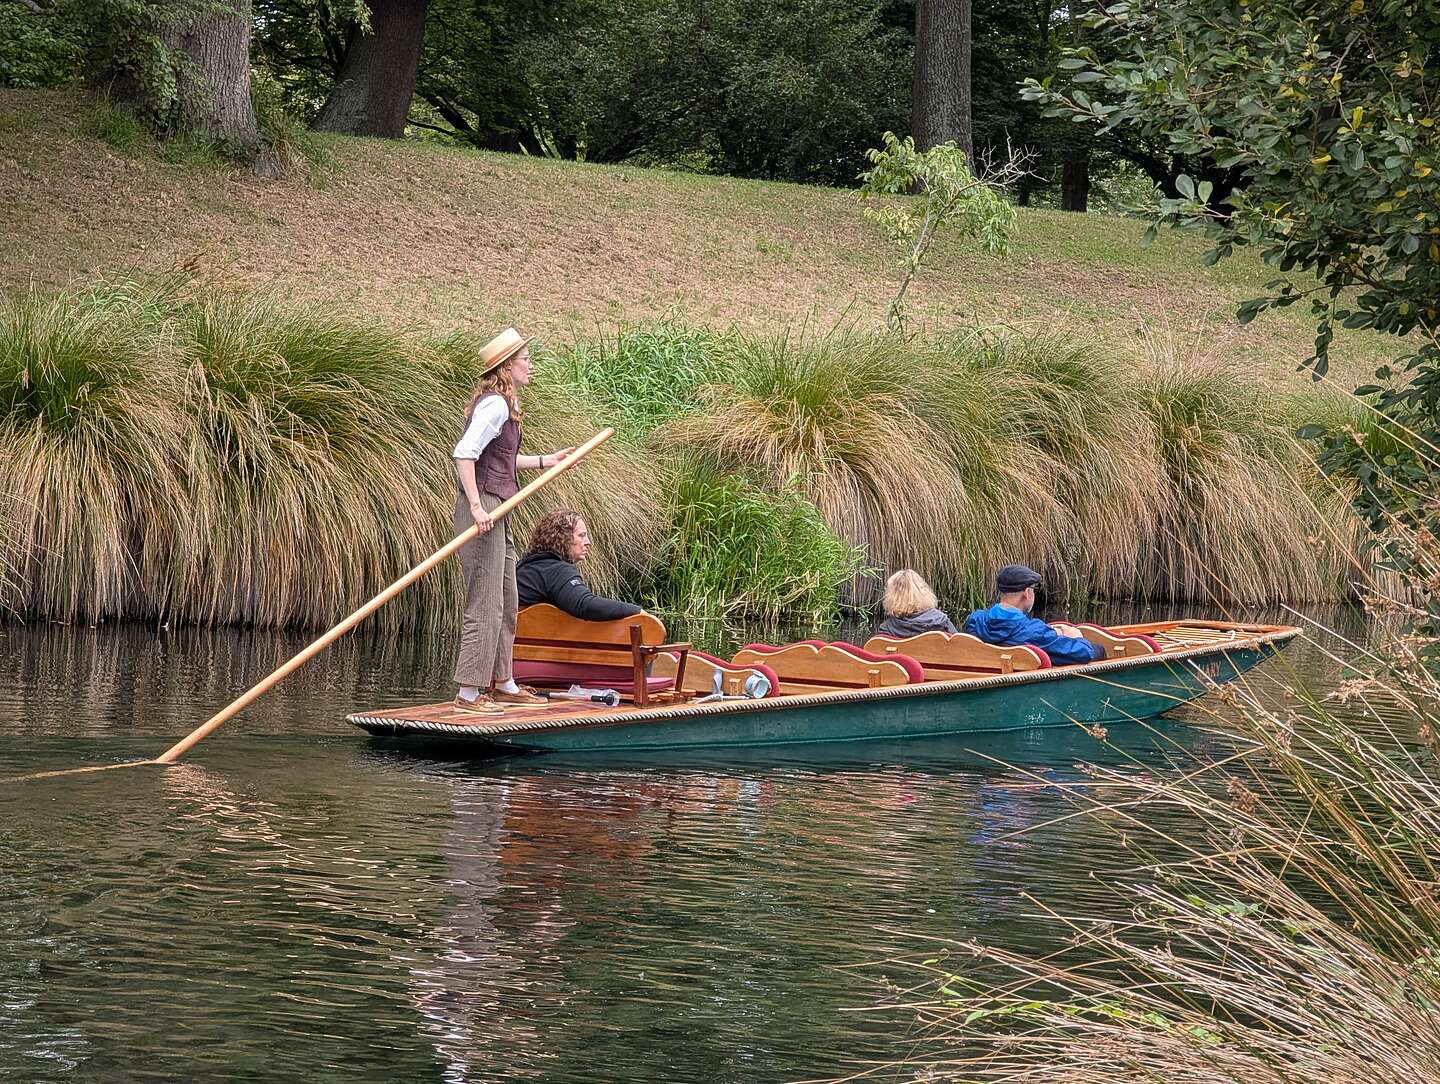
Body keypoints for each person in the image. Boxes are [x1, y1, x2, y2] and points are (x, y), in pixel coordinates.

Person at [451, 327, 576, 716]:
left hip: (498, 509)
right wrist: (475, 506)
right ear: (507, 366)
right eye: (526, 360)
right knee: (484, 604)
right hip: (485, 508)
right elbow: (464, 454)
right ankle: (469, 695)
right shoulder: (496, 406)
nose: (531, 365)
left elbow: (500, 459)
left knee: (507, 600)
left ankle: (504, 683)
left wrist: (545, 461)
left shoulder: (505, 403)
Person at [963, 563, 1106, 665]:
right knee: (1099, 650)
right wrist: (1077, 637)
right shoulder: (1034, 632)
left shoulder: (974, 621)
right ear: (1026, 592)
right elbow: (1086, 653)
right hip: (1023, 696)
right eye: (1033, 589)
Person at [517, 510, 642, 620]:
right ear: (562, 538)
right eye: (581, 536)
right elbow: (584, 604)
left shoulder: (522, 567)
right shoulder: (558, 571)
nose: (588, 542)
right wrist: (638, 611)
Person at [875, 569, 958, 639]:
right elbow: (962, 647)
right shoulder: (941, 621)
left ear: (892, 596)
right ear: (923, 592)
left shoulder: (886, 629)